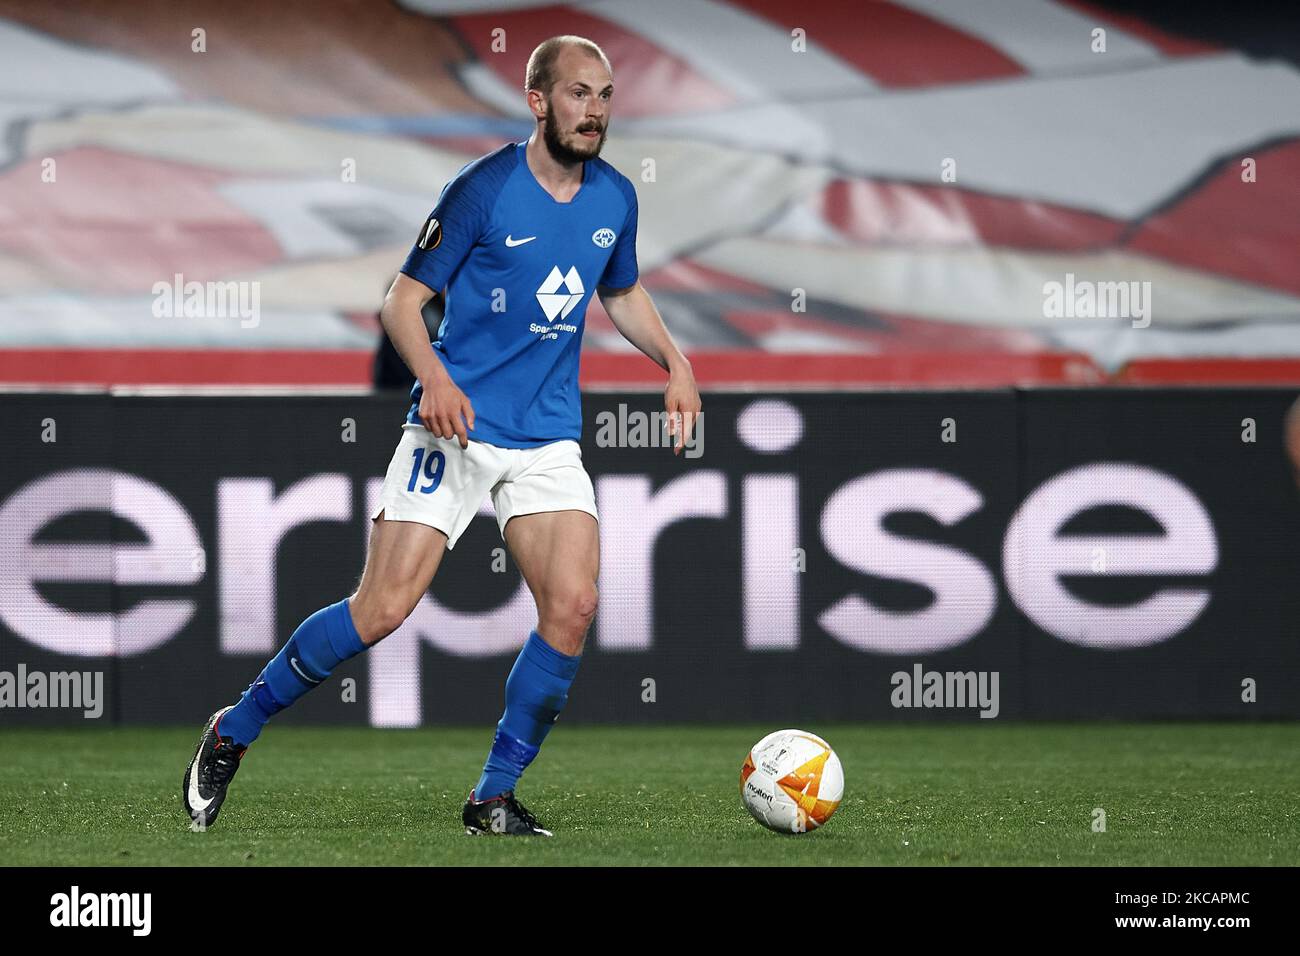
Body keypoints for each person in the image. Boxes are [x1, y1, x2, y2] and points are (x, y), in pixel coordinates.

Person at [183, 35, 700, 836]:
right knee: (380, 610)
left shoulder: (615, 198)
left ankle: (491, 795)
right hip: (451, 425)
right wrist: (437, 380)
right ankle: (235, 727)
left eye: (604, 95)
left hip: (547, 433)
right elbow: (400, 299)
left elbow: (621, 290)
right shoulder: (485, 190)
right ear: (538, 101)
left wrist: (674, 361)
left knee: (573, 605)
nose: (594, 111)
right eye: (577, 94)